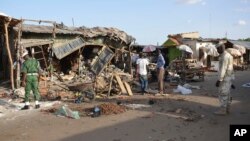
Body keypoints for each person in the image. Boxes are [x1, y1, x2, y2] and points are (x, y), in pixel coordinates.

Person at [214, 43, 235, 115]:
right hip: (228, 78)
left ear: (222, 47)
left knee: (223, 94)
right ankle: (227, 109)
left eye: (218, 49)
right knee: (227, 94)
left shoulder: (224, 57)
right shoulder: (228, 55)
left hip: (224, 79)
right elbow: (231, 68)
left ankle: (223, 110)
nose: (217, 50)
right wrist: (231, 80)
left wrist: (219, 80)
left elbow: (223, 69)